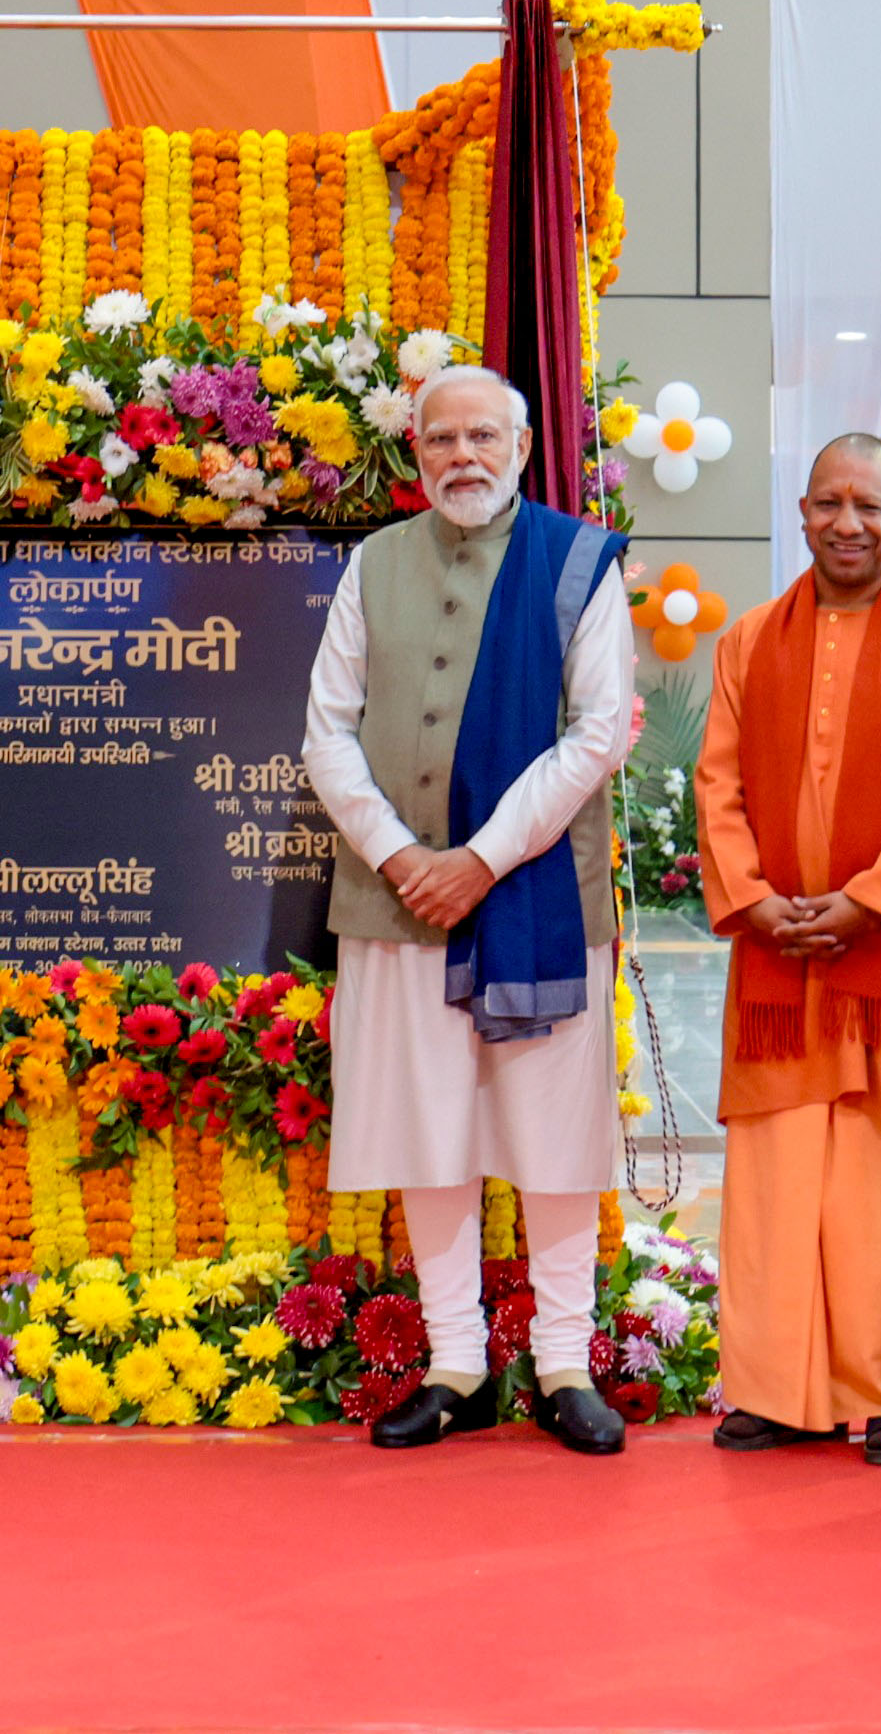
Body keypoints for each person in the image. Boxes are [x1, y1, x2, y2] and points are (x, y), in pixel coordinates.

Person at [303, 366, 636, 1456]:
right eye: (439, 439)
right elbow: (325, 736)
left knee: (553, 1135)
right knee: (422, 1126)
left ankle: (559, 1363)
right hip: (395, 901)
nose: (462, 457)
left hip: (536, 896)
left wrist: (480, 860)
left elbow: (595, 733)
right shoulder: (372, 565)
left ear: (523, 446)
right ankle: (455, 1362)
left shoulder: (576, 563)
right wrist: (405, 858)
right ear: (414, 457)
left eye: (482, 437)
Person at [694, 434, 881, 1466]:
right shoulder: (746, 644)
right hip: (777, 954)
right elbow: (716, 787)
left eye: (868, 505)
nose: (847, 523)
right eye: (827, 503)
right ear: (801, 513)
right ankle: (779, 1391)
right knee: (778, 1175)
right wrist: (749, 899)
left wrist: (867, 903)